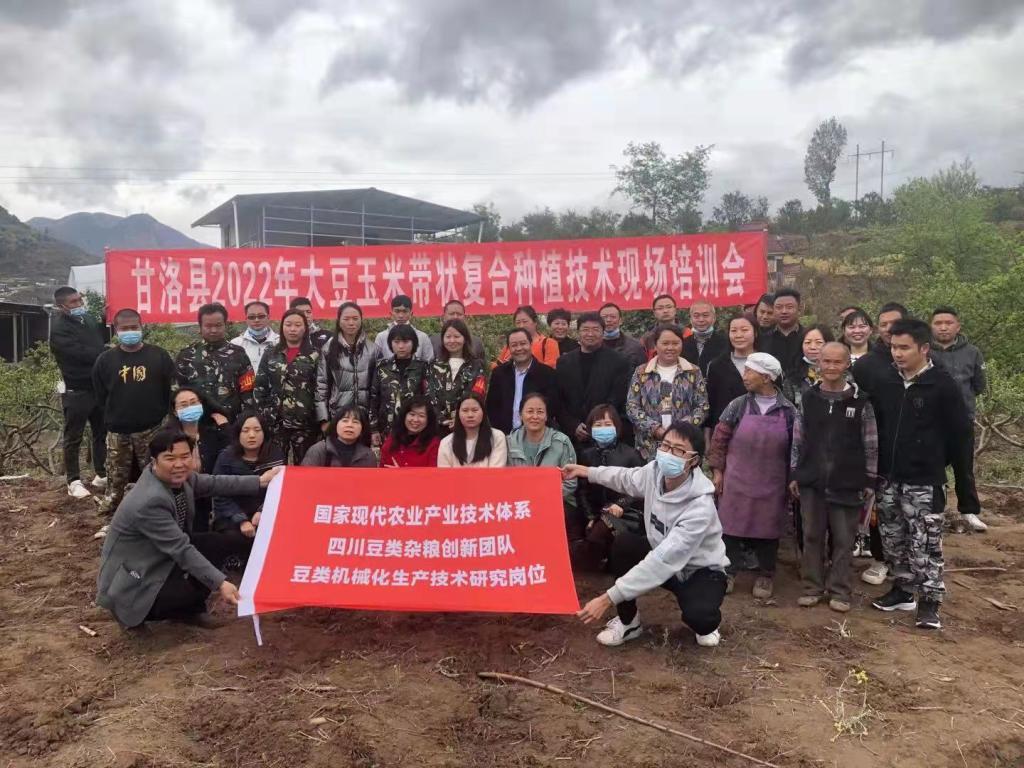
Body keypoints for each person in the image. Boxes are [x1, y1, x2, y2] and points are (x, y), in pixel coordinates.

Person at [96, 428, 281, 629]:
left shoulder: (181, 478)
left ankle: (191, 610)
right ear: (154, 461)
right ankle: (154, 610)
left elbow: (215, 483)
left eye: (185, 457)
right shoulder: (149, 500)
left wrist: (260, 481)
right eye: (170, 458)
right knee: (183, 591)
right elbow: (181, 549)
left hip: (160, 556)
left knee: (219, 543)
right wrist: (221, 583)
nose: (179, 464)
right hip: (134, 579)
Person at [566, 421, 729, 649]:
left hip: (699, 570)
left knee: (700, 617)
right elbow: (625, 478)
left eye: (679, 450)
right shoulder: (654, 472)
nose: (668, 454)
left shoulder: (699, 506)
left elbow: (663, 560)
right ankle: (629, 623)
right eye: (666, 445)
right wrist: (586, 472)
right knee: (624, 544)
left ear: (693, 461)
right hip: (664, 557)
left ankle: (707, 622)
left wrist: (607, 598)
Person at [869, 319, 972, 630]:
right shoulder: (886, 381)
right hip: (888, 477)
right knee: (893, 537)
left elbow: (960, 436)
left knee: (925, 542)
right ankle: (902, 590)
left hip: (924, 480)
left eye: (905, 348)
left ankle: (929, 601)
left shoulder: (942, 385)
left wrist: (965, 489)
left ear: (924, 348)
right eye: (893, 347)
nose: (898, 354)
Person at [789, 343, 878, 613]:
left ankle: (840, 590)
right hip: (811, 480)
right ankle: (812, 587)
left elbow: (870, 442)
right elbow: (798, 439)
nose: (831, 367)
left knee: (843, 539)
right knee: (812, 535)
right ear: (818, 364)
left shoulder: (860, 401)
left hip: (848, 481)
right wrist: (795, 472)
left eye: (837, 362)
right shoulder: (808, 399)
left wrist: (870, 479)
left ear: (847, 364)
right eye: (826, 361)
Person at [708, 352, 796, 599]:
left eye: (749, 372)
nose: (744, 376)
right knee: (730, 528)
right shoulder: (737, 405)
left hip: (773, 483)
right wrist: (718, 472)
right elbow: (719, 440)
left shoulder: (788, 410)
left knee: (769, 530)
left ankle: (766, 575)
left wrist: (792, 479)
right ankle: (728, 572)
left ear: (766, 378)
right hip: (737, 480)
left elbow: (795, 448)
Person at [92, 308, 175, 515]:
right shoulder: (105, 360)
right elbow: (100, 396)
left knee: (155, 476)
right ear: (116, 330)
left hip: (152, 429)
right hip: (118, 431)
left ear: (141, 326)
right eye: (125, 328)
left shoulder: (159, 356)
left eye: (134, 327)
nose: (130, 331)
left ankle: (158, 514)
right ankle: (112, 520)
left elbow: (170, 391)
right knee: (116, 480)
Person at [851, 302, 908, 586]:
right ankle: (880, 558)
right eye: (883, 324)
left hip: (914, 448)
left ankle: (910, 562)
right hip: (879, 445)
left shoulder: (926, 362)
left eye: (894, 323)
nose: (888, 329)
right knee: (881, 506)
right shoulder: (866, 365)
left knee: (913, 509)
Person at [930, 306, 987, 533]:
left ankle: (969, 511)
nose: (943, 327)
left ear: (958, 326)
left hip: (962, 420)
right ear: (931, 326)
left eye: (948, 323)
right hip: (931, 421)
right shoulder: (925, 351)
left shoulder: (972, 352)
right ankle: (936, 509)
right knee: (933, 466)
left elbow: (979, 385)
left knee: (964, 467)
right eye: (938, 323)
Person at [50, 286, 107, 499]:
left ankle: (101, 473)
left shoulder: (87, 319)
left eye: (79, 300)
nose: (79, 304)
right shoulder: (59, 329)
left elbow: (100, 337)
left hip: (97, 387)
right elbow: (80, 354)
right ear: (61, 306)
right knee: (74, 437)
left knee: (101, 432)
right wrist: (104, 353)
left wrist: (104, 320)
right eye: (73, 302)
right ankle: (73, 481)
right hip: (76, 390)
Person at [571, 404, 645, 570]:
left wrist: (620, 505)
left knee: (601, 531)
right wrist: (590, 516)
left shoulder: (631, 454)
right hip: (595, 512)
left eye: (607, 424)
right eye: (598, 425)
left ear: (616, 427)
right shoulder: (586, 455)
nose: (603, 428)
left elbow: (639, 489)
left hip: (626, 513)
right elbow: (582, 491)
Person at [626, 325, 708, 460]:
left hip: (683, 445)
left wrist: (679, 430)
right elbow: (632, 406)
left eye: (675, 343)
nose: (670, 348)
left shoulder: (693, 371)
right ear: (655, 345)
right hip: (648, 446)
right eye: (665, 343)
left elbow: (702, 406)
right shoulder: (642, 372)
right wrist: (654, 428)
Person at [254, 309, 321, 464]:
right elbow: (260, 386)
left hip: (305, 422)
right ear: (282, 327)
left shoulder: (315, 354)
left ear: (305, 328)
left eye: (297, 325)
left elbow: (320, 388)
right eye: (288, 325)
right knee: (274, 465)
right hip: (275, 421)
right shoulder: (271, 352)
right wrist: (263, 414)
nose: (292, 329)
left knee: (305, 466)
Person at [554, 312, 631, 446]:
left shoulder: (619, 361)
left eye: (595, 329)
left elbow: (618, 398)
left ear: (603, 332)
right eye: (585, 329)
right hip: (572, 437)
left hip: (606, 434)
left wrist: (596, 424)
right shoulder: (564, 362)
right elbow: (559, 401)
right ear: (578, 332)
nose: (590, 334)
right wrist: (573, 425)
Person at [175, 302, 255, 423]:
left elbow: (248, 391)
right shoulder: (186, 355)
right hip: (196, 424)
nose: (213, 330)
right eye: (208, 326)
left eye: (218, 325)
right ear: (200, 327)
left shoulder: (238, 354)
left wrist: (245, 422)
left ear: (225, 325)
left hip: (231, 424)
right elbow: (177, 393)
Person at [165, 387, 231, 533]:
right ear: (175, 411)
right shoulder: (167, 438)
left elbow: (232, 456)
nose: (190, 407)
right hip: (179, 500)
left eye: (193, 402)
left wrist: (225, 428)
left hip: (211, 499)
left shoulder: (213, 433)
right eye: (184, 405)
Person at [211, 413, 285, 536]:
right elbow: (219, 494)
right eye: (245, 431)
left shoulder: (275, 455)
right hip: (231, 516)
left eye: (257, 430)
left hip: (266, 513)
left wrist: (262, 511)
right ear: (238, 434)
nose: (252, 435)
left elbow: (280, 490)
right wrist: (241, 520)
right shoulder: (226, 457)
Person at [506, 392, 578, 518]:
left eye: (540, 412)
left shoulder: (561, 441)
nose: (535, 416)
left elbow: (570, 483)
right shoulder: (509, 442)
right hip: (520, 503)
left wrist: (541, 498)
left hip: (556, 501)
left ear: (546, 416)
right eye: (530, 411)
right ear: (520, 415)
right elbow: (506, 480)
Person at [316, 301, 379, 427]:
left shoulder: (373, 349)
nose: (351, 323)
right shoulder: (328, 349)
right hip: (338, 415)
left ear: (361, 320)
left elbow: (376, 389)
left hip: (364, 416)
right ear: (339, 321)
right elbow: (321, 385)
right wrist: (324, 419)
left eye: (355, 319)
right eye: (346, 319)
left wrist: (374, 422)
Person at [486, 328, 561, 434]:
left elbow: (553, 408)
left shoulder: (547, 374)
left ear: (531, 344)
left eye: (523, 343)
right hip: (505, 436)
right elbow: (491, 407)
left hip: (537, 436)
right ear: (509, 348)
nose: (519, 348)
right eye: (514, 345)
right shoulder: (499, 374)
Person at [370, 324, 428, 443]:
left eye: (406, 342)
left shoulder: (423, 366)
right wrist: (374, 428)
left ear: (414, 343)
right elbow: (374, 398)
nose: (401, 346)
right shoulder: (382, 367)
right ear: (390, 343)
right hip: (386, 430)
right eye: (396, 342)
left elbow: (428, 398)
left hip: (415, 428)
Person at [426, 319, 487, 433]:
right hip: (438, 428)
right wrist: (441, 419)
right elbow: (430, 395)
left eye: (457, 336)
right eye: (448, 337)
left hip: (468, 425)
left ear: (465, 338)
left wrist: (459, 419)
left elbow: (478, 394)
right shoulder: (434, 365)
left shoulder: (477, 365)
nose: (452, 340)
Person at [704, 314, 758, 432]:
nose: (738, 335)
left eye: (744, 330)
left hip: (759, 429)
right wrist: (708, 435)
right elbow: (711, 404)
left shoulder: (766, 363)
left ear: (755, 333)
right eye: (733, 331)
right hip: (724, 431)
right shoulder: (716, 365)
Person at [438, 394, 508, 467]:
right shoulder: (446, 443)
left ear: (483, 412)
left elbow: (496, 472)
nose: (470, 415)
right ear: (458, 414)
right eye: (465, 410)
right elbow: (444, 473)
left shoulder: (497, 437)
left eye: (475, 410)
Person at [782, 324, 835, 413]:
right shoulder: (793, 376)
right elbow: (787, 410)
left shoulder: (841, 373)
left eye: (819, 342)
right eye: (807, 342)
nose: (812, 347)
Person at [302, 407, 378, 468]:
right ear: (335, 425)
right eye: (345, 421)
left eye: (355, 422)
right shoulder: (319, 450)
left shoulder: (368, 455)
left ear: (362, 429)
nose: (350, 425)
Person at [381, 396, 441, 467]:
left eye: (421, 416)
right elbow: (382, 469)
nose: (415, 420)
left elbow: (434, 473)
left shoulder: (434, 444)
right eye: (412, 414)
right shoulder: (392, 440)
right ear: (404, 416)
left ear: (428, 420)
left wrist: (402, 473)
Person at [373, 294, 433, 363]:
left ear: (411, 314)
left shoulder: (422, 337)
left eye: (405, 311)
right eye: (397, 311)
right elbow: (376, 363)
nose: (401, 315)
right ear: (391, 314)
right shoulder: (381, 337)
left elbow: (429, 362)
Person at [494, 306, 560, 368]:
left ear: (535, 322)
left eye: (525, 322)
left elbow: (550, 369)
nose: (521, 326)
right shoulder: (510, 345)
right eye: (518, 322)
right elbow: (496, 366)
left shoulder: (549, 343)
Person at [761, 288, 805, 373]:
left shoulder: (808, 338)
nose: (784, 311)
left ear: (799, 309)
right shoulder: (763, 339)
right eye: (779, 307)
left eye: (789, 307)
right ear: (773, 310)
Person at [681, 299, 728, 377]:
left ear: (714, 318)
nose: (701, 320)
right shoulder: (682, 344)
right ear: (691, 319)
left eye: (705, 315)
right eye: (696, 316)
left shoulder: (725, 343)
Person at [230, 300, 279, 372]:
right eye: (251, 317)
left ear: (268, 317)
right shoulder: (236, 344)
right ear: (246, 319)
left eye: (261, 316)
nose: (256, 320)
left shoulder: (280, 342)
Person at [599, 302, 647, 370]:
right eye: (604, 317)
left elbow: (643, 373)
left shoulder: (635, 347)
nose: (608, 320)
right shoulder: (591, 347)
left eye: (613, 317)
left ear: (620, 321)